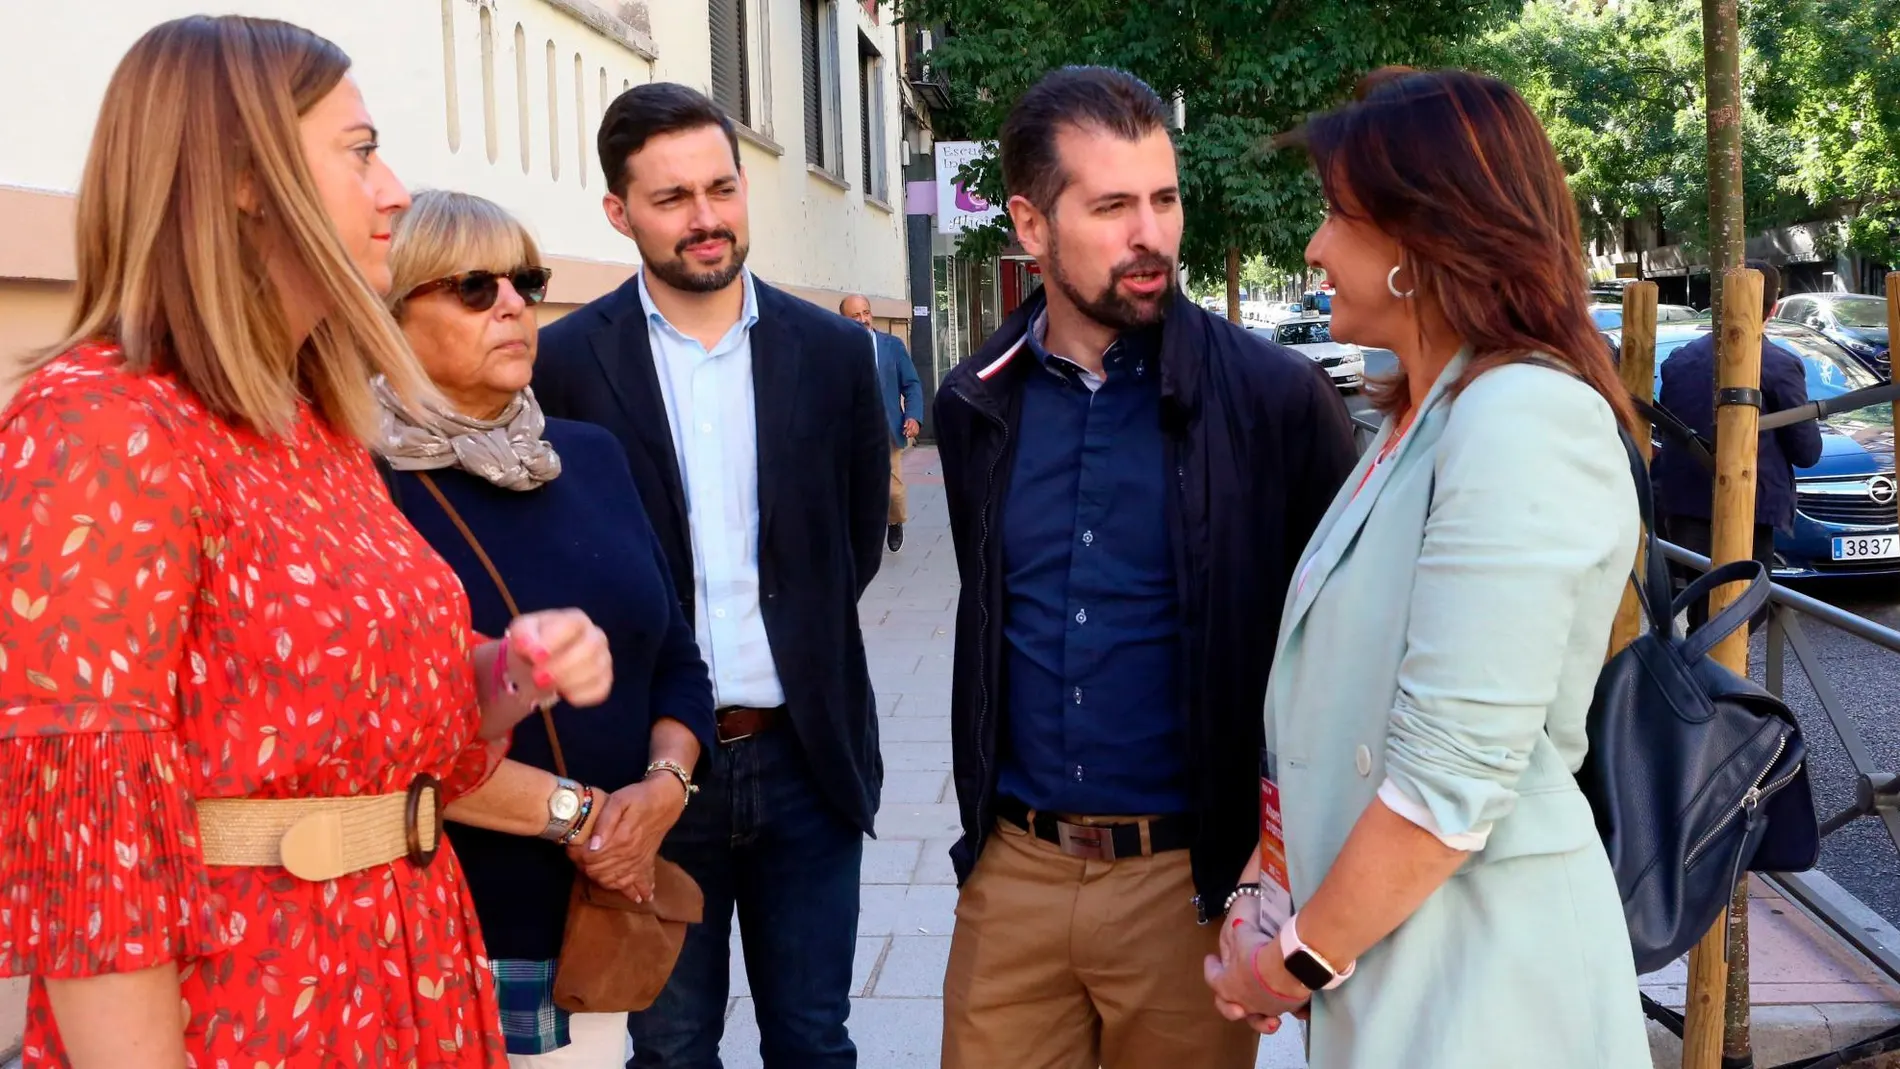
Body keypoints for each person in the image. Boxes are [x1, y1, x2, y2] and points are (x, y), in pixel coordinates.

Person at [0, 17, 616, 1069]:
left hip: (404, 967)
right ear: (245, 175)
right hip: (254, 1003)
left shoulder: (314, 424)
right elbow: (91, 854)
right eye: (362, 149)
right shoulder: (100, 424)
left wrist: (509, 669)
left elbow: (370, 720)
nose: (394, 191)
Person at [1200, 68, 1650, 1068]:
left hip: (1486, 991)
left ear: (1421, 239)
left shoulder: (1519, 417)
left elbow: (1444, 783)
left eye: (1335, 215)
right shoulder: (1416, 423)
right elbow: (1316, 745)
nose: (1313, 247)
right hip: (1401, 968)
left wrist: (1287, 965)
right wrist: (1247, 910)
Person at [933, 67, 1359, 1069]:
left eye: (1162, 200)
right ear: (1032, 226)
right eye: (1113, 205)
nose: (1150, 235)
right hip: (1014, 876)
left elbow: (1339, 648)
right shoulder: (974, 403)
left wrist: (1273, 866)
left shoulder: (1272, 400)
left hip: (1188, 887)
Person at [532, 83, 889, 1068]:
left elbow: (852, 544)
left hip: (805, 763)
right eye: (672, 198)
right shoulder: (563, 364)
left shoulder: (830, 354)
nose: (706, 219)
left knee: (814, 1040)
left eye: (721, 189)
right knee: (672, 1048)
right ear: (618, 212)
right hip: (646, 775)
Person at [376, 189, 719, 1067]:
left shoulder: (587, 455)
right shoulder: (359, 483)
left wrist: (665, 787)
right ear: (387, 309)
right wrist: (585, 821)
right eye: (473, 286)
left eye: (526, 281)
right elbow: (386, 727)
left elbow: (674, 650)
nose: (513, 305)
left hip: (606, 911)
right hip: (451, 920)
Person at [1653, 259, 1822, 631]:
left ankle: (1700, 684)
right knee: (1738, 618)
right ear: (1773, 308)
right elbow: (1807, 452)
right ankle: (1716, 687)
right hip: (1753, 508)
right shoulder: (1778, 364)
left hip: (1684, 504)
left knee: (1704, 613)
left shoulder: (1679, 361)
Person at [841, 294, 925, 551]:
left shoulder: (892, 346)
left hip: (886, 429)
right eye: (855, 316)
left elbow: (911, 384)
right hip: (850, 431)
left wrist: (913, 416)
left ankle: (894, 521)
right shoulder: (834, 349)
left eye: (866, 313)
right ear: (843, 320)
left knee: (894, 491)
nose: (863, 319)